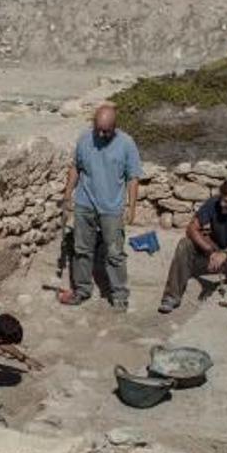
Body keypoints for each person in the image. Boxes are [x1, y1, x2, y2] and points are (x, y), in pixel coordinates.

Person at [62, 104, 143, 311]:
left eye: (106, 130)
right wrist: (68, 194)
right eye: (98, 128)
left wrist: (131, 207)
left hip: (112, 207)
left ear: (115, 126)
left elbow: (132, 177)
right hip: (85, 203)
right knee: (81, 250)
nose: (100, 133)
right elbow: (76, 168)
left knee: (115, 253)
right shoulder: (84, 139)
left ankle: (119, 294)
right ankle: (82, 290)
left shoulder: (127, 144)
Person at [158, 178, 227, 314]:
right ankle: (171, 297)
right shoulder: (213, 203)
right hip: (216, 245)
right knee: (185, 243)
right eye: (221, 200)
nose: (222, 204)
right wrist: (210, 251)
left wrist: (226, 253)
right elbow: (191, 229)